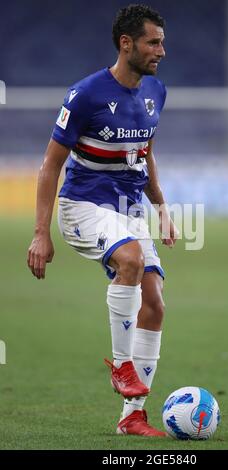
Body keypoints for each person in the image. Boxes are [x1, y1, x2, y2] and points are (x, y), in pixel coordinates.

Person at [27, 4, 178, 437]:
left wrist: (162, 208)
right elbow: (49, 166)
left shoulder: (156, 93)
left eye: (162, 41)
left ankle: (132, 417)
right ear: (126, 44)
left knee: (155, 304)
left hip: (129, 210)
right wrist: (41, 234)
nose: (161, 51)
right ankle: (121, 364)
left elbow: (144, 154)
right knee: (129, 261)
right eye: (153, 41)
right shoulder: (85, 95)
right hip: (83, 206)